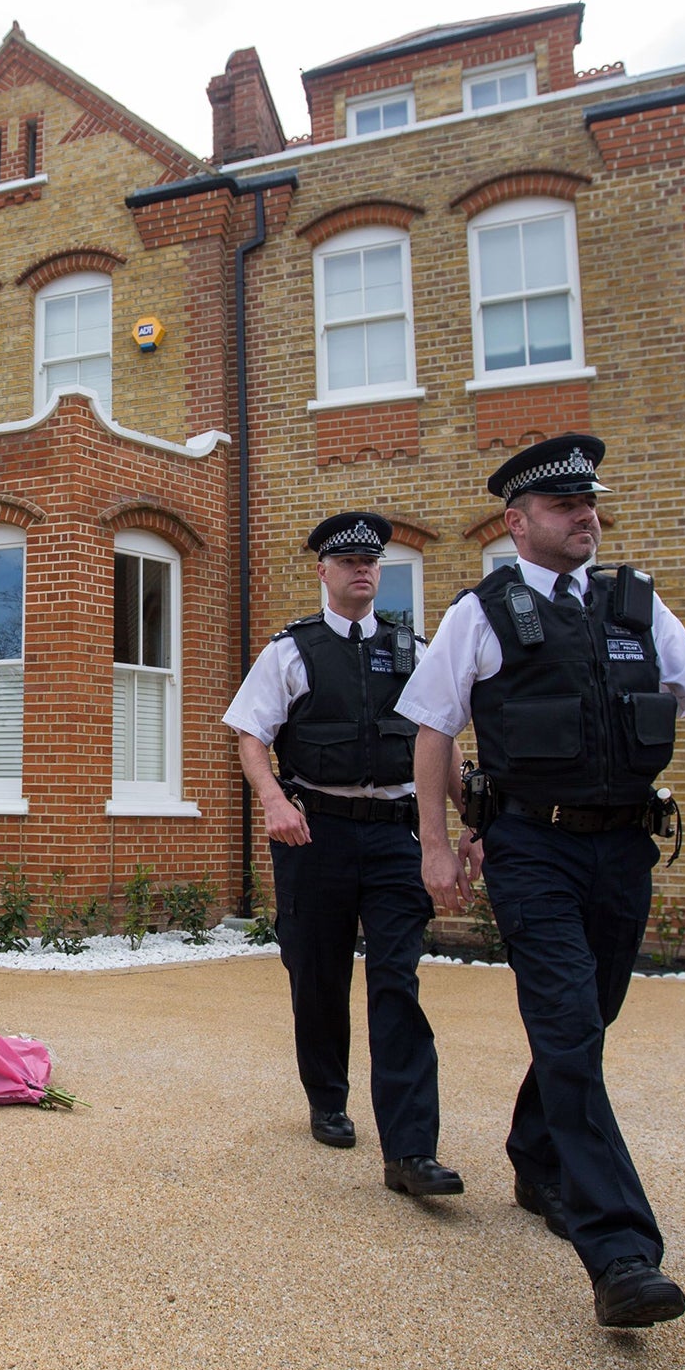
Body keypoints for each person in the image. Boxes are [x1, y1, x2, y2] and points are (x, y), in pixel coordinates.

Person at [398, 433, 685, 1328]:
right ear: (518, 524)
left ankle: (534, 1151)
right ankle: (620, 1251)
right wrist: (434, 846)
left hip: (623, 850)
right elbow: (433, 730)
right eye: (564, 508)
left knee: (588, 1023)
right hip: (531, 849)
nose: (585, 517)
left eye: (589, 503)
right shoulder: (479, 614)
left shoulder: (637, 606)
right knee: (566, 1024)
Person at [223, 511, 463, 1199]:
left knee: (397, 978)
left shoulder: (414, 650)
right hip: (315, 834)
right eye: (348, 560)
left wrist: (465, 823)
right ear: (323, 571)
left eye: (371, 561)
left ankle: (411, 1151)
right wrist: (273, 800)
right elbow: (250, 736)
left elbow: (438, 737)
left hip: (393, 834)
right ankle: (327, 1098)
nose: (362, 569)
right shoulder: (290, 652)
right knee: (318, 975)